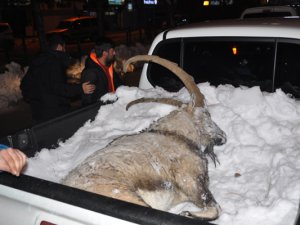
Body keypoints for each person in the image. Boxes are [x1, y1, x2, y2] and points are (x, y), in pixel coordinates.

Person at [20, 34, 95, 123]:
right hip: (54, 113)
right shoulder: (54, 62)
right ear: (59, 47)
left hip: (38, 112)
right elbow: (58, 87)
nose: (65, 50)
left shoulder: (39, 60)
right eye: (64, 47)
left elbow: (25, 85)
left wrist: (36, 100)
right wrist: (80, 88)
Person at [81, 40, 122, 106]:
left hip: (112, 105)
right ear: (105, 53)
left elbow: (119, 84)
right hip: (101, 111)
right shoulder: (90, 72)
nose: (114, 53)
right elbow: (88, 101)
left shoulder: (109, 67)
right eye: (112, 51)